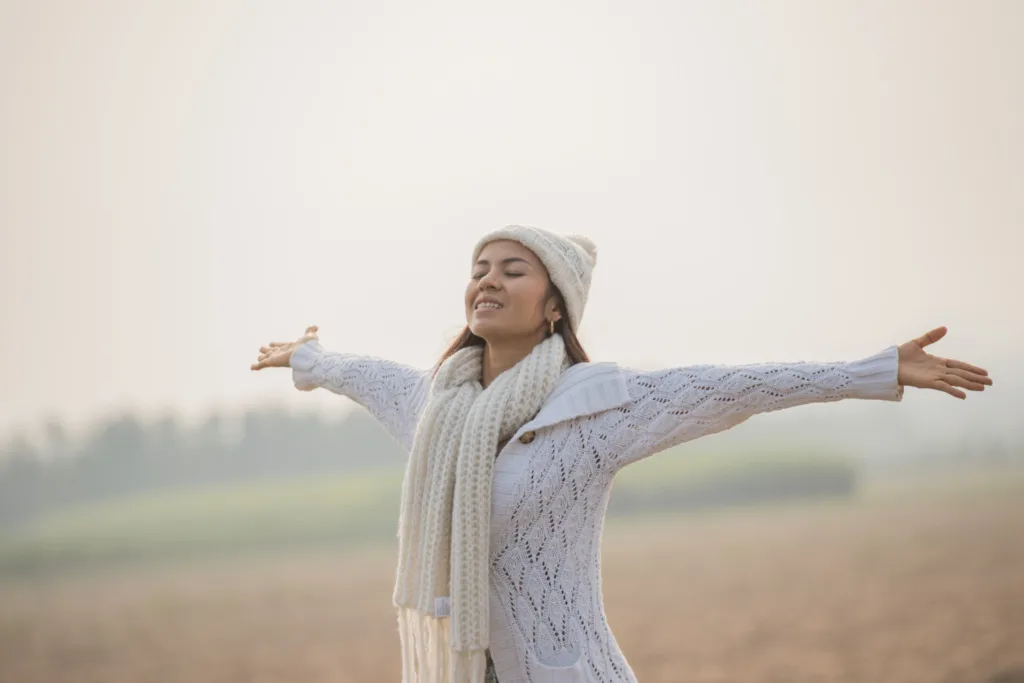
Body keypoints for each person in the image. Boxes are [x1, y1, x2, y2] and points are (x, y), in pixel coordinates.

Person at [251, 226, 991, 683]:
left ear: (553, 307)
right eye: (480, 267)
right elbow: (360, 373)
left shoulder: (597, 407)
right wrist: (307, 356)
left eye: (513, 268)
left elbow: (739, 387)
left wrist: (874, 370)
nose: (488, 280)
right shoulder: (434, 407)